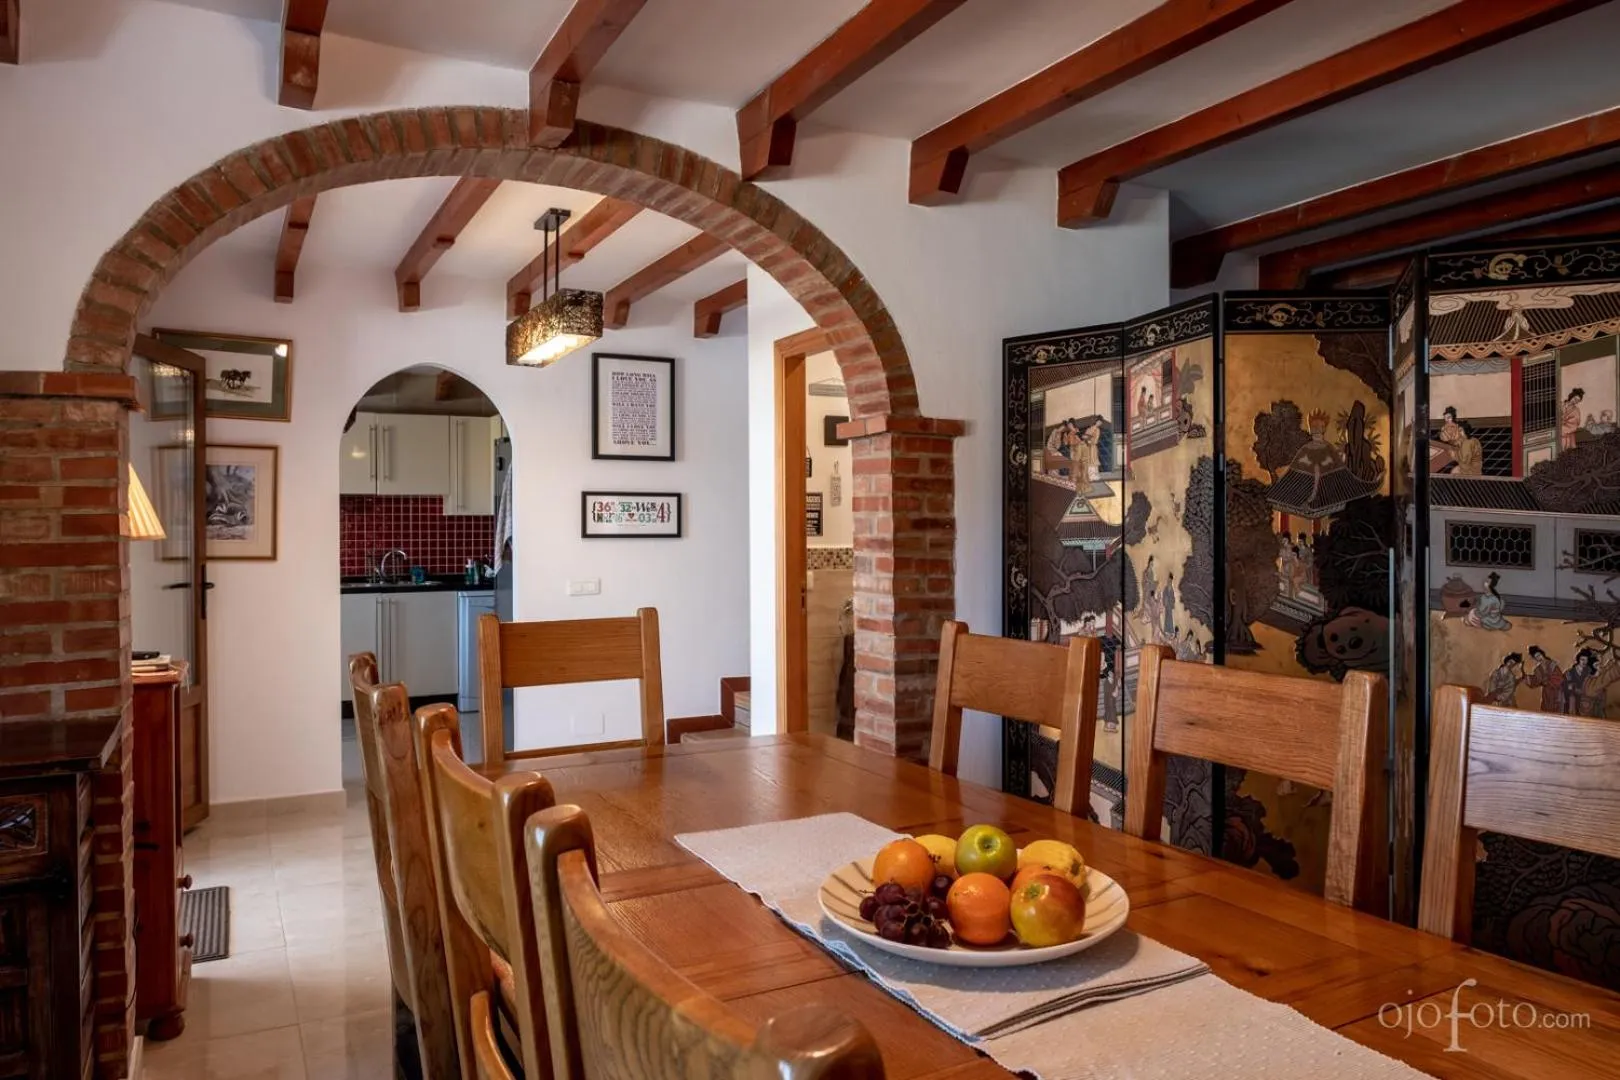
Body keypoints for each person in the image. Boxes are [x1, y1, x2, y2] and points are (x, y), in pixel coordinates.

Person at [1523, 645, 1564, 713]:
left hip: (1556, 691)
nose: (1539, 658)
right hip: (1546, 692)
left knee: (1557, 709)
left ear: (1542, 654)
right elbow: (1536, 680)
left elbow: (1559, 677)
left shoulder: (1552, 664)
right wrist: (1525, 676)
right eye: (1536, 657)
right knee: (1546, 707)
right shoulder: (1537, 669)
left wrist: (1548, 681)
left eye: (1539, 655)